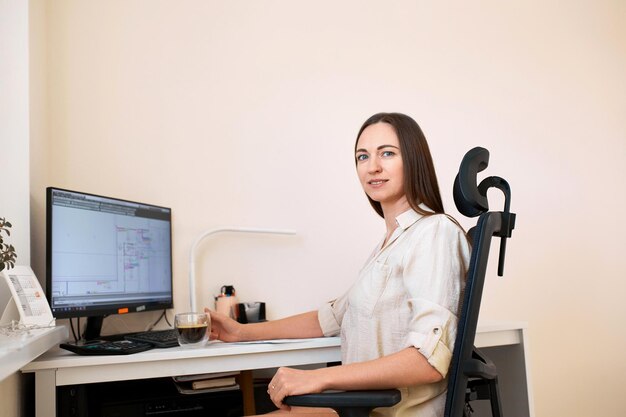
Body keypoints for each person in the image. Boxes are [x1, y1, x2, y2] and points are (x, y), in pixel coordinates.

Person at [206, 112, 471, 417]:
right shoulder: (390, 244)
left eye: (387, 153)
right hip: (362, 407)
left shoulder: (434, 232)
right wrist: (241, 332)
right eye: (362, 156)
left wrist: (317, 378)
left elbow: (427, 361)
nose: (373, 167)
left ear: (413, 160)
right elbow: (330, 318)